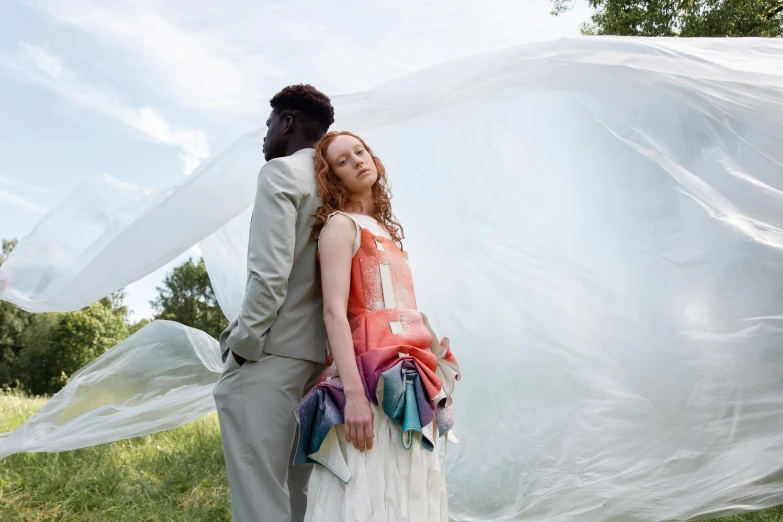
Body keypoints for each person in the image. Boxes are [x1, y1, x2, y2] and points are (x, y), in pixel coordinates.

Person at [293, 131, 461, 521]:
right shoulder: (340, 225)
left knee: (409, 482)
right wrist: (352, 396)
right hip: (367, 379)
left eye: (359, 151)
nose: (356, 161)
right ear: (332, 176)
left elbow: (403, 309)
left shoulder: (386, 230)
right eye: (342, 161)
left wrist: (438, 351)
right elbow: (334, 313)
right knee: (370, 484)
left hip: (410, 372)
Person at [212, 84, 334, 522]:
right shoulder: (335, 184)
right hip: (318, 360)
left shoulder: (281, 173)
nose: (265, 136)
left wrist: (244, 342)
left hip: (271, 353)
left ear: (286, 122)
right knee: (296, 487)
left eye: (268, 125)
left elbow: (270, 274)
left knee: (258, 488)